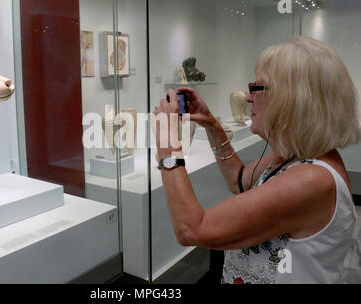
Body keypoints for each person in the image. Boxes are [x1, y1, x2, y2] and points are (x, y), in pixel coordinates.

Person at [153, 36, 360, 284]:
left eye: (256, 88)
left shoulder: (312, 179)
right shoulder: (298, 155)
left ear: (292, 101)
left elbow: (192, 229)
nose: (248, 97)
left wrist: (167, 145)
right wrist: (211, 123)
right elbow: (239, 180)